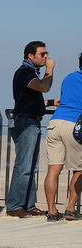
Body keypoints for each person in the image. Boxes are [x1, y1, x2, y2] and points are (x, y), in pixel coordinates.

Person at [7, 41, 57, 218]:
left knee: (31, 166)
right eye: (42, 54)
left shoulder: (30, 74)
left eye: (46, 54)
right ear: (31, 56)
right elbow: (44, 87)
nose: (46, 57)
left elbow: (29, 100)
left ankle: (28, 204)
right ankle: (15, 205)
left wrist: (51, 103)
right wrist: (49, 70)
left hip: (31, 121)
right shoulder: (25, 73)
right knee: (24, 165)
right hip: (26, 123)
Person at [42, 52, 82, 222]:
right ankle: (70, 209)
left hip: (56, 122)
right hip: (75, 125)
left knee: (53, 169)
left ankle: (51, 211)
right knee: (79, 169)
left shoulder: (69, 77)